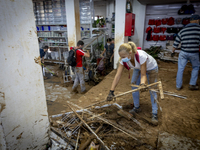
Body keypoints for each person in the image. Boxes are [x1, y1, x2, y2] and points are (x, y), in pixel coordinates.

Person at [106, 42, 159, 124]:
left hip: (151, 68)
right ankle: (136, 107)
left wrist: (142, 84)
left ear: (130, 53)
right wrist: (111, 91)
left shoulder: (141, 56)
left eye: (123, 56)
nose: (121, 58)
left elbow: (143, 74)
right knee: (133, 85)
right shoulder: (123, 60)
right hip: (138, 68)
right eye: (120, 56)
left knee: (153, 90)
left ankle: (154, 113)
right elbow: (117, 75)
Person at [172, 14, 200, 91]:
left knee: (180, 69)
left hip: (183, 52)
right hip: (194, 53)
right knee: (196, 67)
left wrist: (173, 49)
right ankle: (192, 84)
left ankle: (178, 86)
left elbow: (177, 41)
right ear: (197, 20)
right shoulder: (198, 29)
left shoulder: (183, 30)